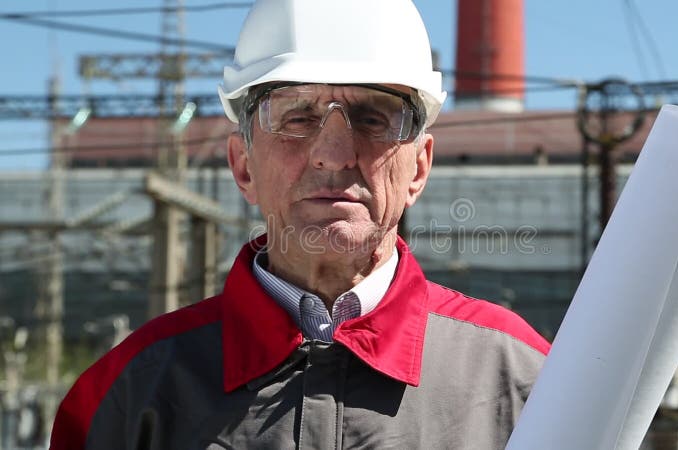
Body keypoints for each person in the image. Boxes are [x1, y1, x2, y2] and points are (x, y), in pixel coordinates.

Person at [50, 0, 550, 448]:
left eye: (374, 118)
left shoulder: (524, 379)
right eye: (296, 117)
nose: (334, 156)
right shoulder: (129, 392)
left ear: (418, 167)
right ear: (243, 165)